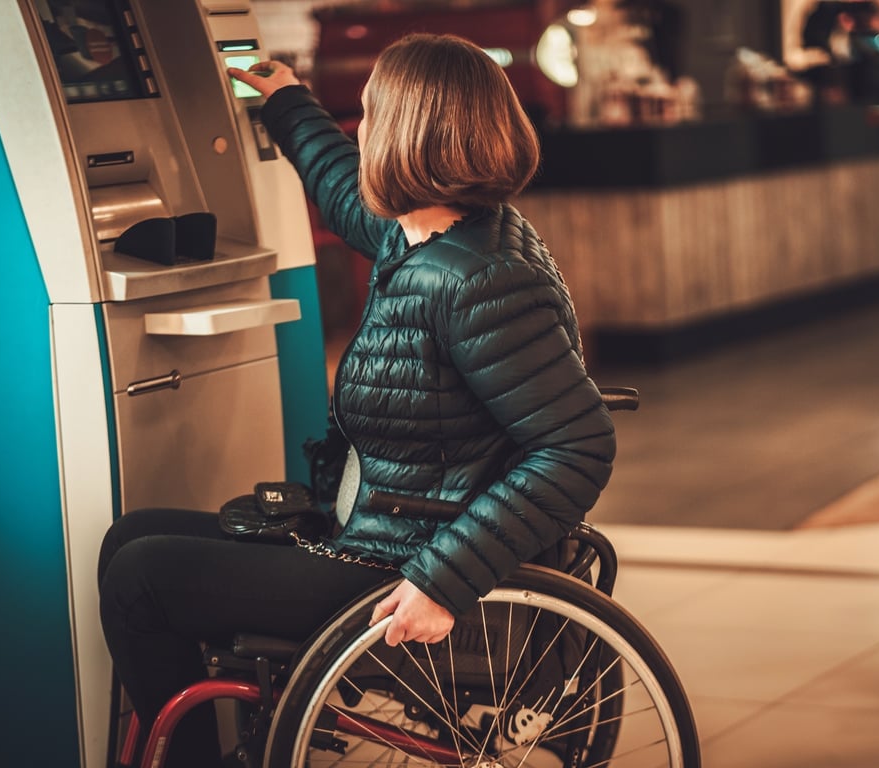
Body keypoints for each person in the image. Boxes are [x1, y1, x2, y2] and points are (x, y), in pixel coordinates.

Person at [97, 33, 617, 768]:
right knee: (132, 536)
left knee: (139, 578)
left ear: (410, 137)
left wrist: (442, 581)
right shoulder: (432, 233)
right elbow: (346, 188)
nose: (361, 129)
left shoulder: (478, 279)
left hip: (400, 564)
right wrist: (284, 99)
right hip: (381, 529)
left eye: (371, 114)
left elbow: (578, 447)